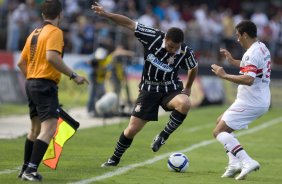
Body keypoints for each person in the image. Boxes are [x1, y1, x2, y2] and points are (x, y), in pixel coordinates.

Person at [91, 2, 198, 167]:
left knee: (185, 103)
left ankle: (163, 136)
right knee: (132, 129)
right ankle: (114, 159)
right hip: (148, 88)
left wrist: (188, 87)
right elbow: (128, 23)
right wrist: (106, 14)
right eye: (170, 46)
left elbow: (194, 67)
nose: (172, 50)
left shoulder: (185, 51)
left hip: (171, 88)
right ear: (165, 39)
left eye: (175, 48)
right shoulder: (152, 36)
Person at [17, 0, 89, 181]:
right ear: (60, 15)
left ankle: (25, 168)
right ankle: (31, 170)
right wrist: (74, 75)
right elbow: (51, 57)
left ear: (43, 15)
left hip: (31, 83)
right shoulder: (55, 32)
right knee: (48, 129)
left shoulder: (34, 33)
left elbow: (20, 62)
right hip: (44, 84)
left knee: (35, 129)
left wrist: (32, 77)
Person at [211, 20, 271, 180]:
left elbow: (248, 79)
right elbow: (252, 67)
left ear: (245, 35)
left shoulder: (252, 52)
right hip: (257, 99)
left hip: (251, 101)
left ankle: (247, 161)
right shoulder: (261, 47)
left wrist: (224, 75)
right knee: (220, 122)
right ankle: (234, 163)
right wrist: (232, 62)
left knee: (219, 132)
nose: (237, 39)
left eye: (238, 36)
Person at [87, 45, 134, 116]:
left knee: (101, 95)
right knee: (92, 95)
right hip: (94, 79)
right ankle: (91, 111)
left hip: (101, 80)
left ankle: (101, 111)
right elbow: (89, 61)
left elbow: (115, 54)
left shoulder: (107, 59)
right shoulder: (94, 60)